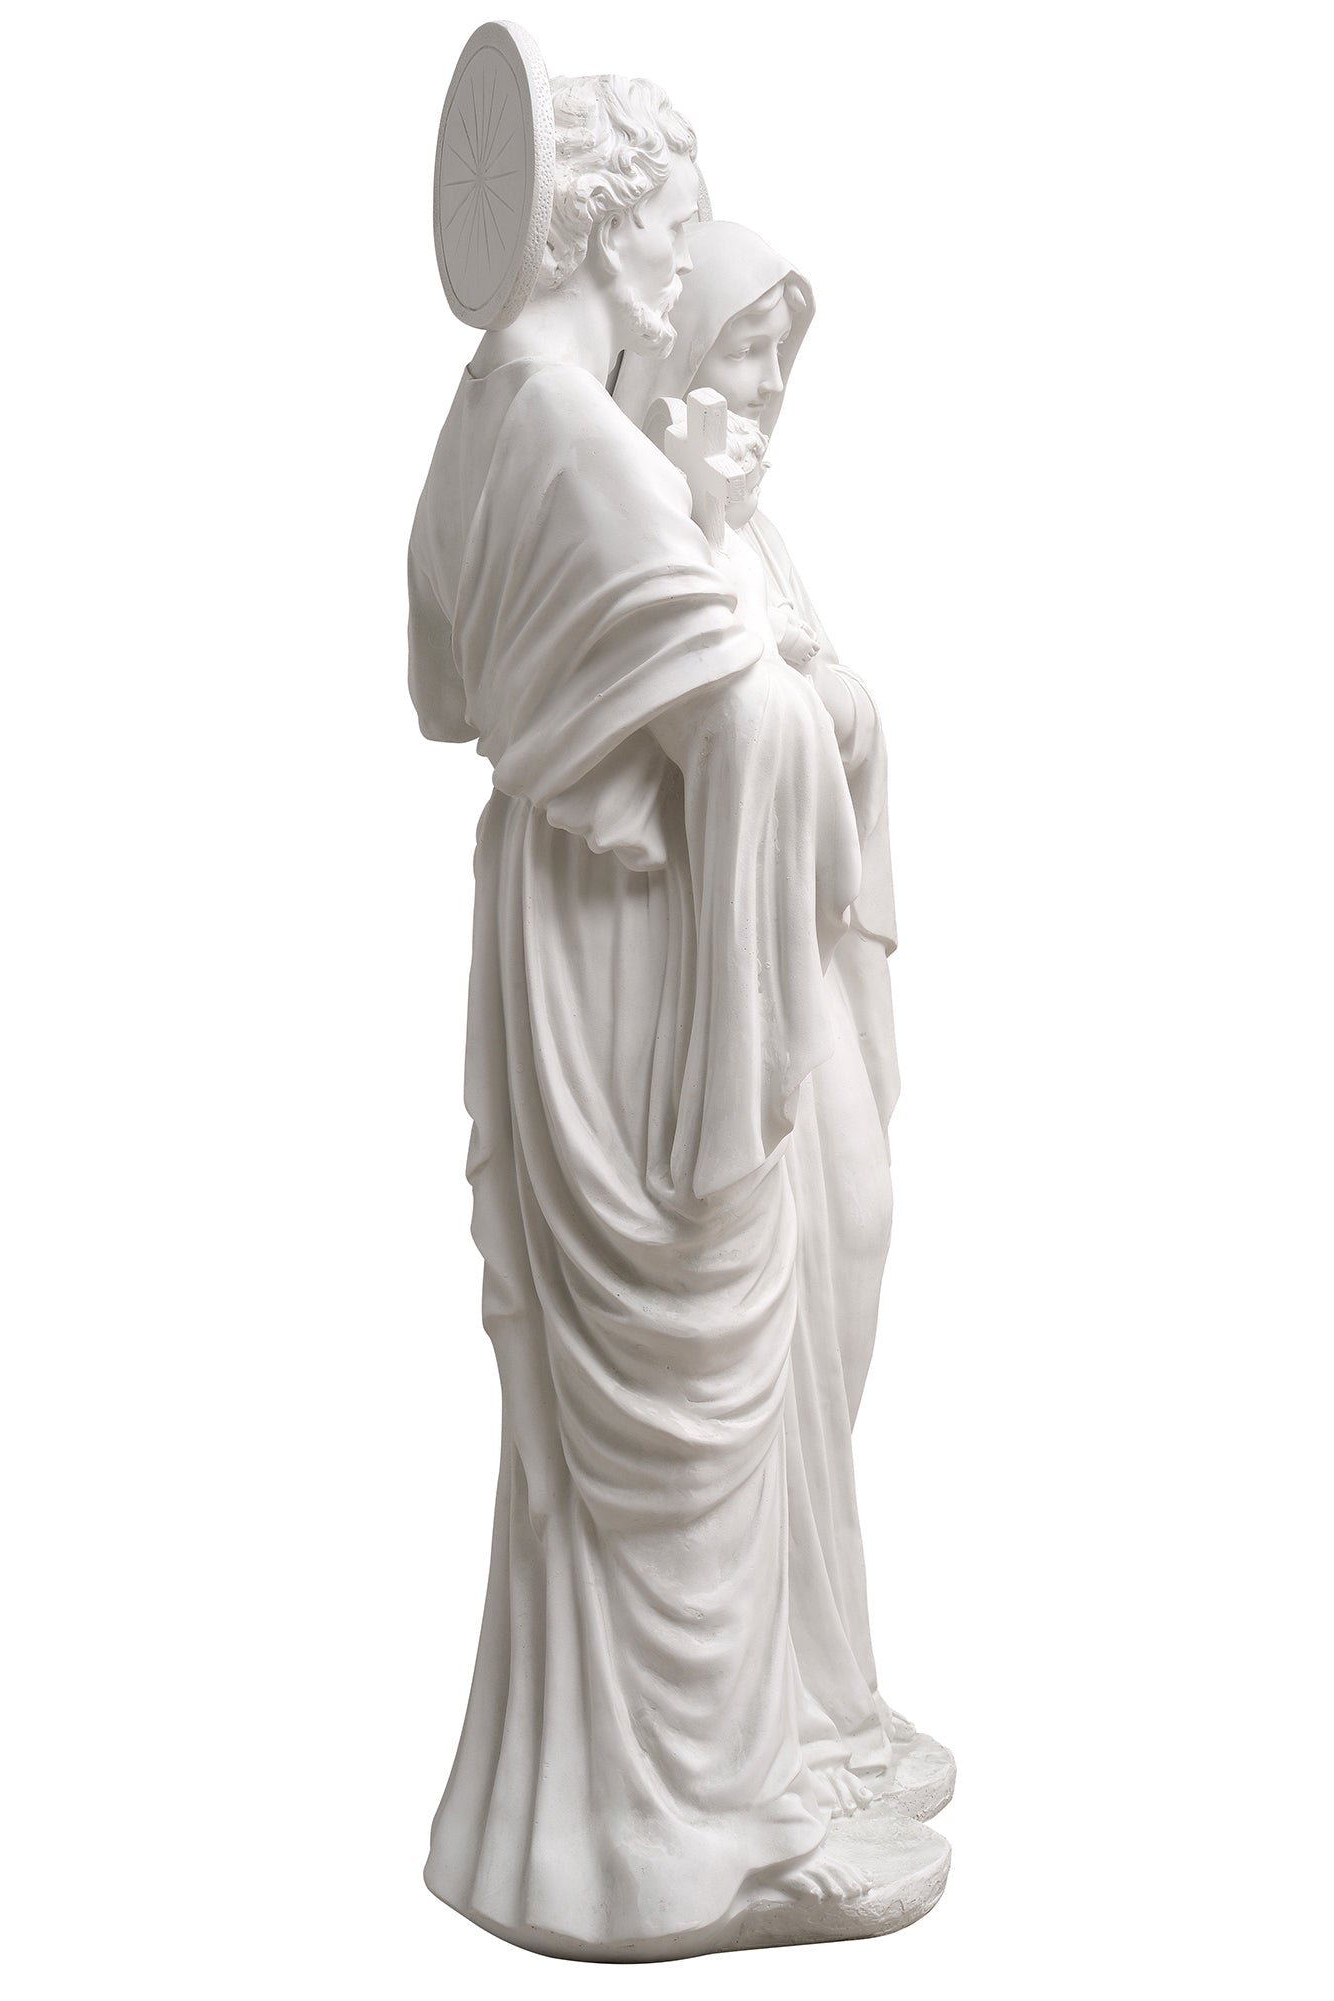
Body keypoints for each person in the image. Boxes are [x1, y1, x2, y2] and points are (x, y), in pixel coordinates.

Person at [406, 79, 945, 1959]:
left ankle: (622, 1806)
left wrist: (725, 661)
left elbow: (450, 677)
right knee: (681, 1394)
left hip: (576, 917)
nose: (677, 254)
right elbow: (730, 722)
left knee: (619, 1408)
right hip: (645, 952)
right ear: (595, 224)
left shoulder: (488, 413)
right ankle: (699, 1830)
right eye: (666, 220)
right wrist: (789, 687)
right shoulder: (567, 429)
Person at [614, 220, 951, 1822]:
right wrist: (797, 688)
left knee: (859, 1228)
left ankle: (811, 1653)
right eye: (742, 350)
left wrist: (839, 703)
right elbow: (672, 732)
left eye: (775, 356)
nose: (763, 385)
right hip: (721, 974)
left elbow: (806, 690)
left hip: (799, 944)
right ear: (677, 355)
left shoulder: (750, 523)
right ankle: (765, 1682)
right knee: (782, 1281)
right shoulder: (643, 515)